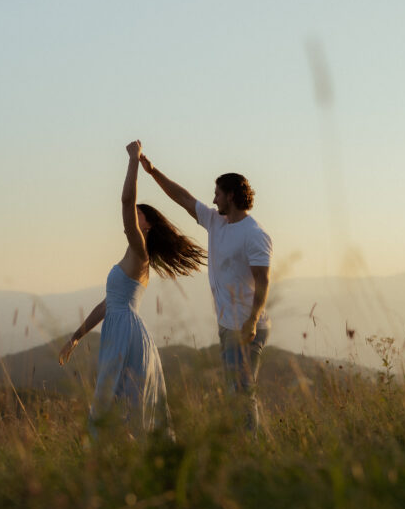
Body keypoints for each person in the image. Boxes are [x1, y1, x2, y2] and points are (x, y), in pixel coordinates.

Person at [59, 140, 205, 438]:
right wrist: (76, 337)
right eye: (136, 213)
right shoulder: (133, 255)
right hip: (120, 328)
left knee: (111, 405)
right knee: (119, 405)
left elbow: (126, 202)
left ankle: (106, 464)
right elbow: (106, 304)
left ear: (147, 226)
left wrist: (133, 159)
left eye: (140, 215)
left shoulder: (140, 252)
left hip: (125, 332)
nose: (132, 217)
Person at [139, 153, 273, 431]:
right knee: (235, 392)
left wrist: (251, 321)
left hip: (247, 326)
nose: (213, 200)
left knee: (242, 394)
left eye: (217, 194)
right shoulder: (216, 222)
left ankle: (251, 453)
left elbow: (263, 282)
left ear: (231, 196)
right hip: (228, 325)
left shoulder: (255, 234)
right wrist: (152, 171)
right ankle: (243, 448)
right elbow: (183, 198)